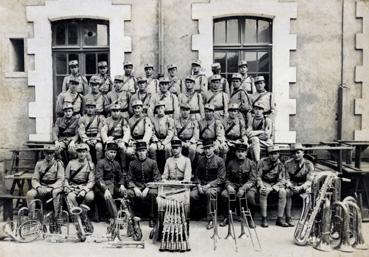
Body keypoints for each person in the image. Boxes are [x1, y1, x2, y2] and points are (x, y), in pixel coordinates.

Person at [219, 143, 257, 227]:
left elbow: (252, 180)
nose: (240, 154)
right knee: (224, 194)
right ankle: (226, 217)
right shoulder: (230, 163)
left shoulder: (251, 163)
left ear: (246, 153)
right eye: (238, 151)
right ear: (235, 153)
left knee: (250, 196)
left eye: (243, 151)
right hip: (234, 185)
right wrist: (228, 186)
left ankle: (250, 218)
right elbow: (226, 178)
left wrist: (243, 188)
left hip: (247, 186)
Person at [191, 140, 226, 229]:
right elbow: (197, 175)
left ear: (213, 148)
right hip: (202, 185)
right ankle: (197, 214)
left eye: (209, 148)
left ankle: (211, 219)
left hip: (215, 186)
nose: (207, 150)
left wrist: (208, 185)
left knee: (210, 193)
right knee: (192, 195)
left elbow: (221, 178)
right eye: (205, 148)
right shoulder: (200, 160)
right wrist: (198, 185)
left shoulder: (220, 160)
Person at [126, 141, 161, 227]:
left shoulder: (152, 162)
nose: (141, 153)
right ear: (136, 152)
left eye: (143, 150)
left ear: (146, 151)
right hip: (137, 186)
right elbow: (129, 179)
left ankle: (152, 218)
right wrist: (134, 188)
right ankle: (133, 217)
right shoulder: (132, 163)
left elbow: (157, 178)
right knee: (129, 193)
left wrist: (148, 188)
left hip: (149, 186)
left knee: (152, 193)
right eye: (139, 151)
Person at [26, 145, 64, 218]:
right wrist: (38, 187)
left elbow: (60, 179)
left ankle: (57, 217)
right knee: (29, 194)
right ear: (44, 153)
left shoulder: (59, 164)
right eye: (47, 153)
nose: (49, 155)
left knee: (56, 192)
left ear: (54, 153)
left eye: (51, 153)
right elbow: (35, 179)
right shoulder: (39, 164)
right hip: (42, 185)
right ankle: (32, 217)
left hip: (54, 186)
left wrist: (50, 187)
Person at [64, 143, 95, 232]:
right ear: (77, 153)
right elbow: (66, 178)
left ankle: (82, 215)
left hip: (85, 186)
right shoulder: (71, 163)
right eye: (79, 152)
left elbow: (92, 181)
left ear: (86, 153)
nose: (81, 154)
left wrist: (84, 190)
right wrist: (67, 187)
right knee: (70, 197)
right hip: (73, 187)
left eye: (84, 152)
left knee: (90, 196)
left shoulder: (90, 164)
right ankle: (81, 219)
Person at [257, 145, 288, 228]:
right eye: (271, 154)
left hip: (275, 183)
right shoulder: (262, 162)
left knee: (283, 192)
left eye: (275, 153)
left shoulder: (281, 165)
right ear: (268, 154)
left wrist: (272, 188)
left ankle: (280, 218)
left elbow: (282, 180)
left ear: (278, 154)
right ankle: (264, 218)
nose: (273, 156)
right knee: (263, 192)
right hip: (265, 182)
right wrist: (262, 186)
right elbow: (258, 176)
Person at [285, 143, 314, 227]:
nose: (296, 155)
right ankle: (288, 217)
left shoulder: (309, 164)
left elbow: (309, 181)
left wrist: (300, 187)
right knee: (287, 192)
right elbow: (286, 178)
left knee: (309, 192)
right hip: (293, 185)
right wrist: (290, 186)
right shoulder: (288, 163)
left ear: (303, 153)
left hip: (303, 185)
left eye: (298, 152)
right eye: (293, 153)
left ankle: (308, 216)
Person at [95, 142, 126, 220]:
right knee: (109, 197)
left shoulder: (116, 163)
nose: (113, 154)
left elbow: (121, 177)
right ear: (106, 152)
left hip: (113, 186)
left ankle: (127, 216)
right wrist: (105, 190)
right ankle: (116, 218)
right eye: (111, 152)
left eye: (115, 152)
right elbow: (99, 179)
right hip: (101, 188)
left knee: (125, 193)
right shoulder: (101, 163)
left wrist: (122, 185)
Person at [100, 104, 131, 168]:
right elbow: (103, 131)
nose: (116, 113)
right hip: (110, 139)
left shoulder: (123, 120)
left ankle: (123, 167)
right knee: (108, 148)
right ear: (111, 112)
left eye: (117, 111)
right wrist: (107, 141)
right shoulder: (107, 120)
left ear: (120, 111)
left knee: (122, 148)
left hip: (120, 139)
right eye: (114, 111)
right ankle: (108, 167)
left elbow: (127, 131)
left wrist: (124, 141)